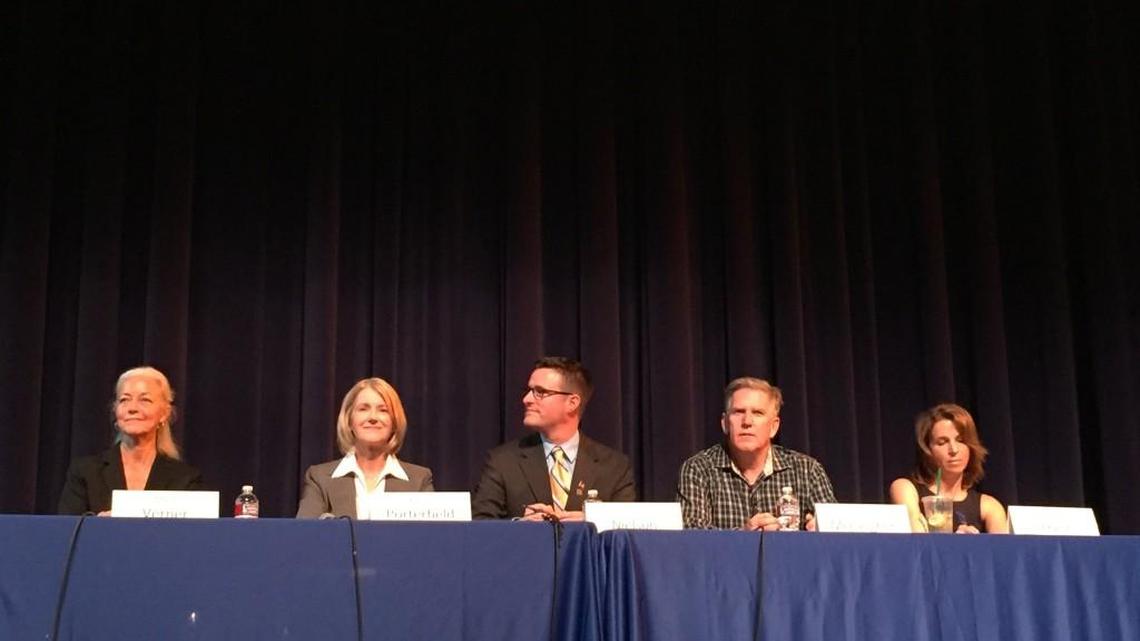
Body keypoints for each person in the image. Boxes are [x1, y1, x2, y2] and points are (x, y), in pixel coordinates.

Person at [471, 356, 636, 521]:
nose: (526, 399)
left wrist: (592, 523)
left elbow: (627, 531)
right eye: (529, 391)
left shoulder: (614, 467)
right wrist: (519, 526)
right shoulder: (502, 461)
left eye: (540, 392)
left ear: (572, 403)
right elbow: (480, 525)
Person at [676, 377, 836, 530]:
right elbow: (692, 535)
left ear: (774, 426)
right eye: (738, 412)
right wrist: (745, 535)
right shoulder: (698, 469)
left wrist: (821, 529)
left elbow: (838, 531)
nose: (747, 422)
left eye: (758, 413)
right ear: (725, 423)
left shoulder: (807, 470)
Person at [58, 366, 205, 515]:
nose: (132, 408)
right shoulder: (85, 472)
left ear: (164, 414)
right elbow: (65, 531)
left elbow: (194, 534)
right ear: (116, 411)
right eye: (124, 400)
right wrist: (95, 524)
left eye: (145, 400)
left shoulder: (185, 479)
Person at [297, 377, 433, 518]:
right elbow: (303, 535)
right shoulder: (319, 478)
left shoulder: (419, 481)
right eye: (363, 409)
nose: (373, 417)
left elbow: (432, 537)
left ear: (394, 422)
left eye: (383, 410)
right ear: (349, 420)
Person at [889, 403, 1008, 534]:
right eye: (942, 442)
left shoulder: (989, 506)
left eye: (961, 440)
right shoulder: (906, 489)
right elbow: (918, 543)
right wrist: (953, 543)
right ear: (927, 450)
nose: (954, 450)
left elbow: (1002, 552)